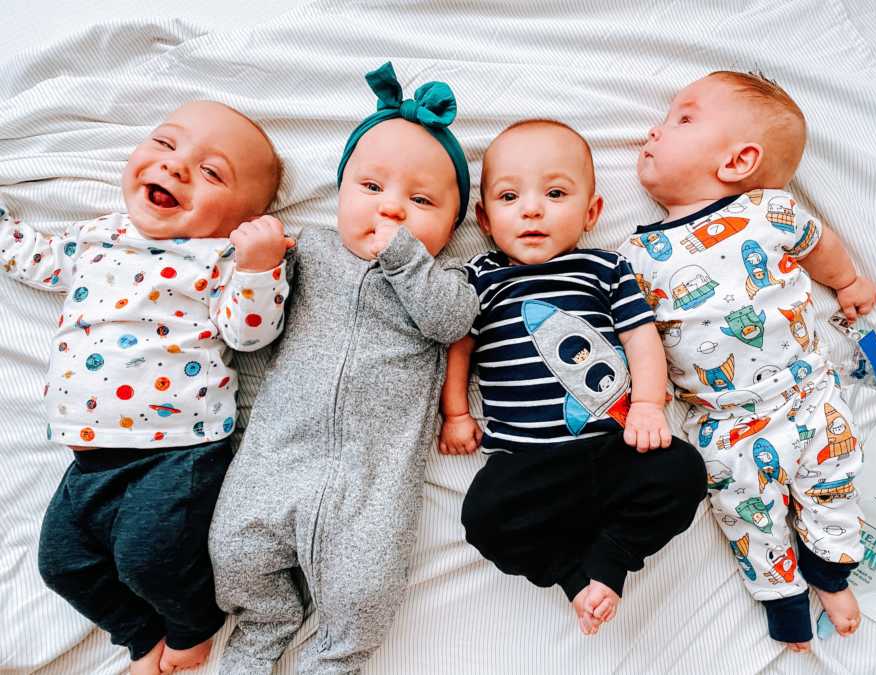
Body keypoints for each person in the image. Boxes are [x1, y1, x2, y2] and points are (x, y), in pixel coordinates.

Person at [0, 100, 291, 674]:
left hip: (177, 449)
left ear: (241, 219)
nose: (178, 167)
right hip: (88, 456)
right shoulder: (97, 237)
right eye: (165, 144)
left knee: (148, 556)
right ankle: (140, 636)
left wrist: (261, 265)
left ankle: (193, 627)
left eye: (212, 173)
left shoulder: (220, 258)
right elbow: (34, 258)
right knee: (61, 564)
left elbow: (250, 333)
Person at [208, 62, 480, 674]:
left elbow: (452, 324)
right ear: (340, 193)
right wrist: (255, 265)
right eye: (372, 188)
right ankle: (264, 626)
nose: (392, 211)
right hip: (278, 455)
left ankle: (334, 660)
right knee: (234, 551)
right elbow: (252, 336)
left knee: (363, 594)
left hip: (374, 479)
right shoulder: (305, 250)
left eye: (421, 201)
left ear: (454, 222)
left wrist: (408, 261)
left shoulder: (445, 282)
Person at [620, 71, 876, 651]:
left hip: (807, 394)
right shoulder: (634, 255)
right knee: (745, 515)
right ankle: (783, 601)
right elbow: (632, 333)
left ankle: (831, 571)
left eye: (683, 119)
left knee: (835, 480)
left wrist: (848, 281)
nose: (653, 130)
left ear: (737, 162)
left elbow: (820, 246)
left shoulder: (770, 210)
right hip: (725, 422)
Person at [439, 119, 707, 636]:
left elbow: (640, 338)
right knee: (484, 517)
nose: (532, 209)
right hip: (527, 463)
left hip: (613, 446)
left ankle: (612, 558)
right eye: (510, 196)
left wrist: (650, 405)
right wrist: (456, 413)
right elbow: (460, 346)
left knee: (684, 472)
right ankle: (572, 576)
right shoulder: (478, 277)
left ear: (591, 212)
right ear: (485, 219)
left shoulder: (606, 269)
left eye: (555, 193)